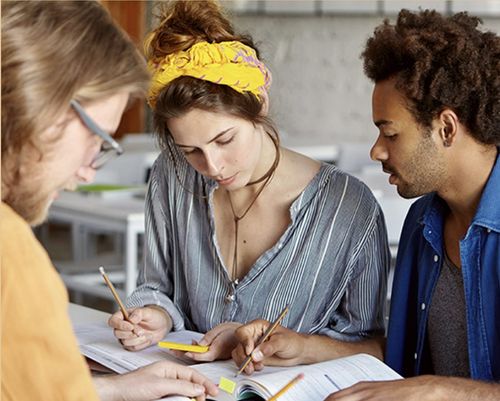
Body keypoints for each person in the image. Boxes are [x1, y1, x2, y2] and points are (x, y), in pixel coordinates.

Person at [109, 0, 390, 366]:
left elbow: (372, 346)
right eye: (191, 149)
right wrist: (156, 316)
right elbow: (158, 288)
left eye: (224, 140)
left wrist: (288, 346)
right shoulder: (173, 173)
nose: (212, 166)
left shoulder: (349, 208)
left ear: (259, 104)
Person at [1, 2, 219, 401]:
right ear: (45, 107)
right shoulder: (11, 255)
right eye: (98, 140)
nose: (90, 171)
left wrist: (110, 389)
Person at [325, 8, 500, 400]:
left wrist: (439, 390)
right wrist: (307, 348)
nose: (376, 150)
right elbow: (406, 360)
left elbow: (426, 385)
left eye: (390, 133)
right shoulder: (423, 221)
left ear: (446, 128)